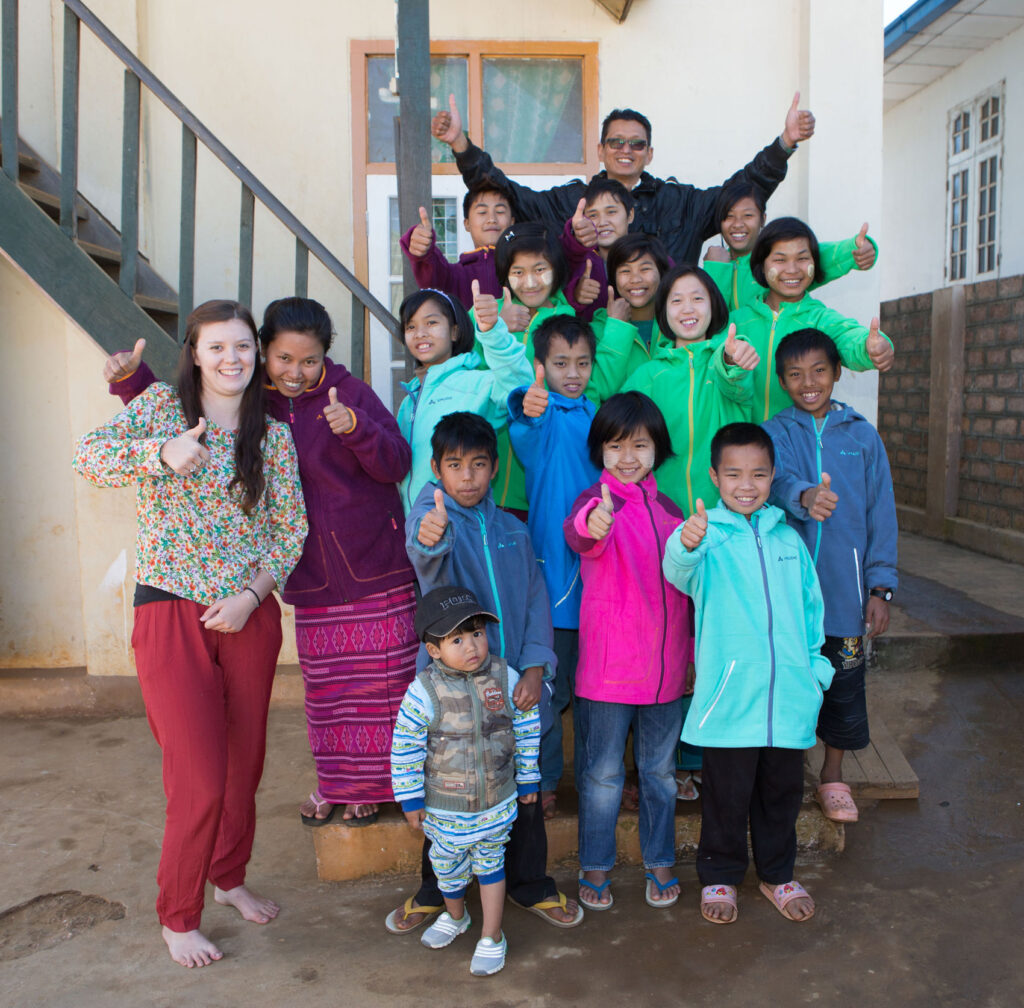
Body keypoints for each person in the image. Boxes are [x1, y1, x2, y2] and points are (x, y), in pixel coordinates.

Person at [103, 298, 419, 829]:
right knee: (329, 693)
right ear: (264, 353)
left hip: (373, 568)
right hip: (309, 576)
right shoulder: (253, 402)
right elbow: (188, 413)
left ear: (326, 358)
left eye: (310, 361)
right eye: (283, 359)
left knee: (384, 688)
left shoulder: (350, 393)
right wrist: (132, 383)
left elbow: (396, 462)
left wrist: (355, 427)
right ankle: (340, 784)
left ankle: (385, 787)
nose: (296, 373)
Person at [74, 300, 307, 967]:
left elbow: (289, 531)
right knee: (199, 776)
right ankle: (178, 914)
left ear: (255, 354)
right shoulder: (159, 411)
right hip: (170, 610)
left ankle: (227, 876)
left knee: (245, 765)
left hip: (246, 615)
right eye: (216, 348)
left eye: (242, 347)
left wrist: (252, 596)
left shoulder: (276, 437)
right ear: (195, 355)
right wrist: (160, 452)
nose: (231, 359)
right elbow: (88, 460)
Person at [386, 411, 582, 933]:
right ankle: (434, 889)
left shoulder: (513, 530)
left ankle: (529, 884)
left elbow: (538, 602)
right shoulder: (434, 517)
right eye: (455, 465)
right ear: (436, 469)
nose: (467, 477)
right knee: (445, 791)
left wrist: (537, 666)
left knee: (525, 788)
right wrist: (431, 535)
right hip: (453, 695)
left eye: (478, 464)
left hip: (513, 690)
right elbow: (426, 554)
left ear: (495, 467)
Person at [662, 422, 833, 926]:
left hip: (788, 698)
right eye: (733, 474)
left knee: (782, 794)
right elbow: (678, 571)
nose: (746, 484)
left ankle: (778, 874)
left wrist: (815, 671)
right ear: (714, 476)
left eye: (758, 474)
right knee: (726, 796)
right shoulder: (705, 534)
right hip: (731, 699)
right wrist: (687, 542)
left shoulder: (789, 539)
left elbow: (810, 611)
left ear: (773, 475)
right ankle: (720, 874)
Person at [762, 329, 898, 823]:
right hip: (789, 595)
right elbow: (767, 480)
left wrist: (879, 588)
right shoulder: (775, 433)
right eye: (795, 374)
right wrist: (801, 494)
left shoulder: (862, 434)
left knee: (844, 685)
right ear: (781, 381)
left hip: (845, 594)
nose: (809, 382)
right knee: (792, 682)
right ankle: (786, 773)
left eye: (819, 370)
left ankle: (833, 776)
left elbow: (882, 513)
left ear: (838, 372)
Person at [563, 392, 692, 911]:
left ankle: (659, 858)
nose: (628, 457)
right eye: (616, 446)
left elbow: (685, 586)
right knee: (602, 775)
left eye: (639, 445)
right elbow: (583, 534)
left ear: (658, 449)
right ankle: (595, 864)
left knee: (660, 774)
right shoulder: (594, 501)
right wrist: (594, 524)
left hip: (664, 673)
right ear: (600, 451)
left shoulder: (671, 510)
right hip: (607, 673)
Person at [431, 94, 815, 264]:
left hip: (670, 335)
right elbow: (508, 195)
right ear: (600, 150)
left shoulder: (679, 201)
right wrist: (462, 146)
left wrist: (784, 144)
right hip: (593, 336)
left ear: (650, 153)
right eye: (616, 141)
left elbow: (742, 195)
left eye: (637, 144)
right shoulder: (571, 202)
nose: (625, 150)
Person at [391, 586, 541, 976]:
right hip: (444, 809)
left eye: (477, 633)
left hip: (496, 803)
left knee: (491, 865)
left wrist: (528, 779)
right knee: (447, 868)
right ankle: (457, 917)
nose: (472, 645)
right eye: (457, 639)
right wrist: (410, 799)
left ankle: (492, 935)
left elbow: (526, 727)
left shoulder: (504, 676)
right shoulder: (423, 691)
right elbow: (405, 747)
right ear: (434, 649)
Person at [507, 317, 603, 812]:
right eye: (560, 363)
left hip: (602, 583)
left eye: (582, 363)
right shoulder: (542, 416)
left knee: (594, 694)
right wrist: (527, 406)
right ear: (541, 366)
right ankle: (542, 783)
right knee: (550, 692)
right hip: (556, 581)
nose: (573, 373)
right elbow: (523, 426)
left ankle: (593, 782)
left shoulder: (599, 417)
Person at [622, 264, 759, 515]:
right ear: (663, 311)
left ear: (713, 305)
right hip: (664, 522)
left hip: (727, 518)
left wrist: (734, 358)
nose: (688, 309)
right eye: (676, 301)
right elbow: (618, 436)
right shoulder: (648, 375)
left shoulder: (724, 357)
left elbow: (733, 375)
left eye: (698, 299)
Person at [728, 216, 894, 422]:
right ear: (761, 266)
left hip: (797, 446)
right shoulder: (736, 321)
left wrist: (869, 348)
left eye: (802, 258)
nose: (792, 269)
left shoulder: (819, 318)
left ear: (815, 262)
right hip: (745, 447)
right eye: (780, 260)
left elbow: (847, 336)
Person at [397, 283, 533, 512]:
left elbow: (518, 387)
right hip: (417, 532)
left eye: (431, 322)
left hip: (462, 528)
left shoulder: (475, 382)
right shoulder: (409, 400)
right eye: (411, 326)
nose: (420, 333)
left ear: (454, 331)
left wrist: (492, 331)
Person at [475, 223, 577, 516]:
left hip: (541, 486)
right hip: (484, 485)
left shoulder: (569, 325)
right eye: (518, 272)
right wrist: (495, 328)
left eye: (540, 269)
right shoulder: (485, 313)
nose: (530, 282)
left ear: (556, 269)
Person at [400, 182, 601, 318]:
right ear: (466, 223)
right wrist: (423, 250)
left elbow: (565, 253)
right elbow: (432, 274)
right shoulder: (457, 274)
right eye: (482, 212)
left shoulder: (534, 255)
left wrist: (578, 235)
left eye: (500, 211)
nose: (491, 218)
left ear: (512, 221)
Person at [703, 181, 879, 311]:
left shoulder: (777, 260)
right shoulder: (714, 263)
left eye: (748, 215)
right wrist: (717, 269)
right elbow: (711, 319)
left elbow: (822, 256)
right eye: (729, 216)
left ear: (763, 219)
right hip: (731, 360)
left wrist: (854, 250)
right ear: (719, 222)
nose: (738, 224)